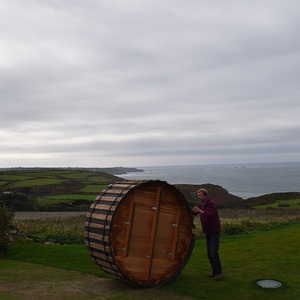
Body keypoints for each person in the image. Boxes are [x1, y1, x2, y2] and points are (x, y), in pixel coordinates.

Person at [192, 188, 223, 281]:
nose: (198, 197)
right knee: (209, 253)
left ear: (205, 196)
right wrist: (193, 211)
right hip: (207, 231)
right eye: (198, 195)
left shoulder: (211, 204)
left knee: (214, 251)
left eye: (200, 195)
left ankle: (218, 273)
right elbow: (194, 212)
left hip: (215, 231)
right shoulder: (201, 204)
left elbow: (211, 215)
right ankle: (214, 272)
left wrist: (200, 210)